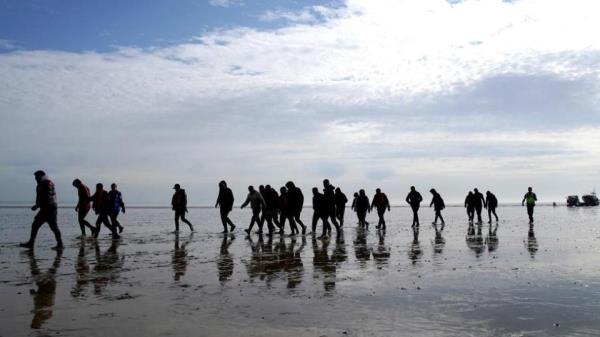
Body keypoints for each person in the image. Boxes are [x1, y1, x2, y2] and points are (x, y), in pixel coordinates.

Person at [20, 170, 63, 250]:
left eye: (36, 177)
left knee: (37, 224)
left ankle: (31, 243)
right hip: (50, 207)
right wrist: (37, 205)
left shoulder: (45, 183)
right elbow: (45, 196)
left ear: (40, 176)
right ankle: (60, 244)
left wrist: (37, 205)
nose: (35, 179)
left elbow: (45, 196)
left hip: (48, 208)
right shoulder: (47, 182)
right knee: (53, 226)